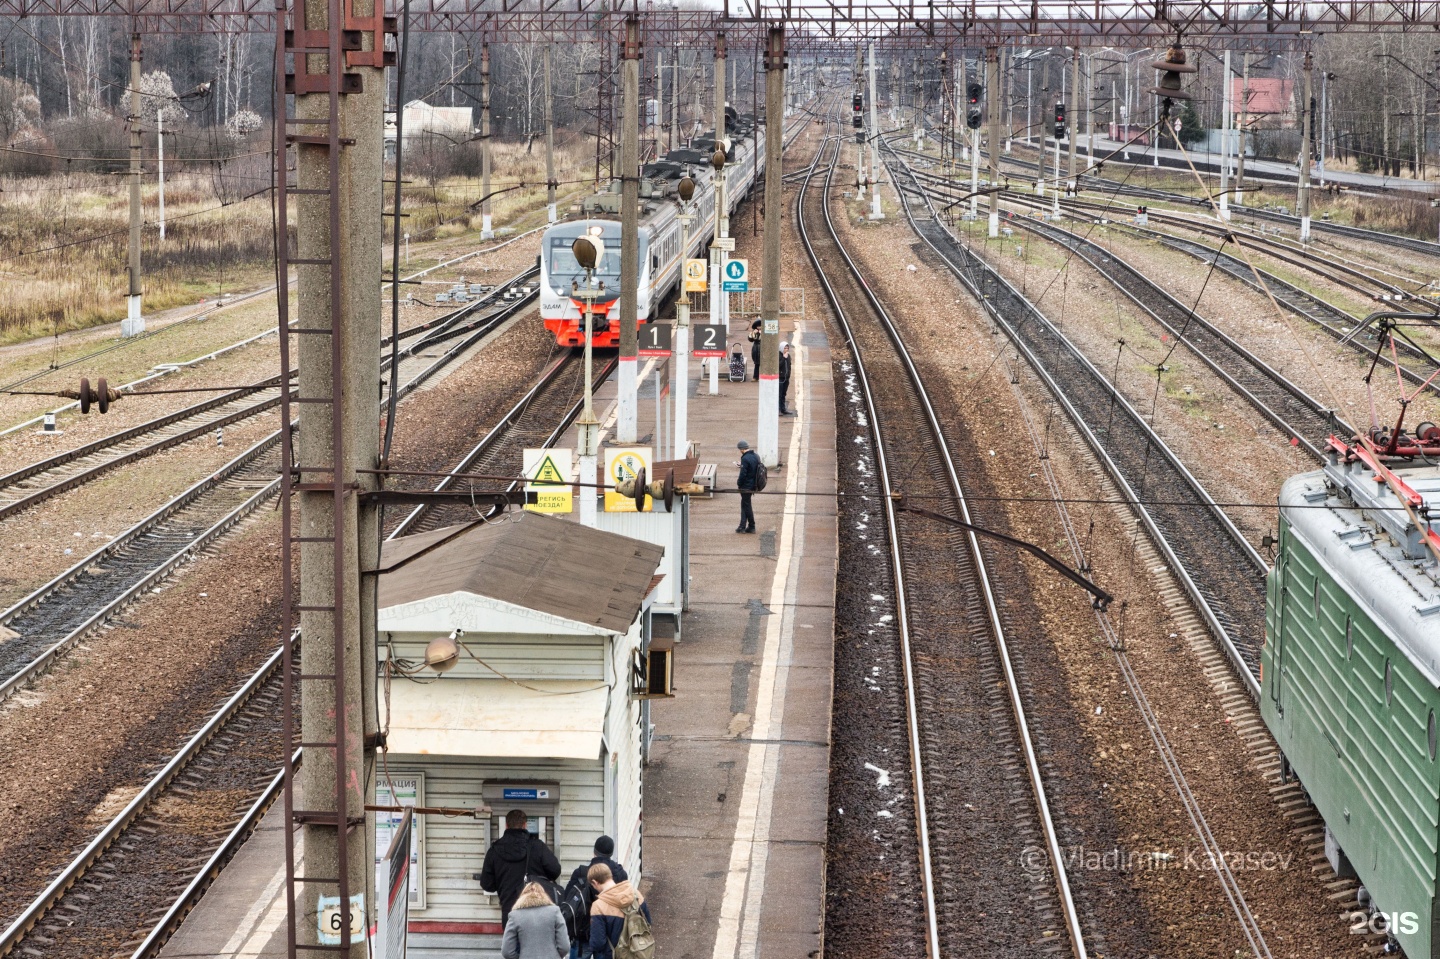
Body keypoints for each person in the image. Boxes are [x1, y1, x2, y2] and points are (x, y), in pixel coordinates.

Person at [481, 810, 562, 929]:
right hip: (536, 911)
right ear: (525, 825)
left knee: (512, 947)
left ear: (507, 825)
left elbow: (487, 884)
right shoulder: (537, 846)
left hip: (510, 913)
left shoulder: (494, 851)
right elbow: (555, 870)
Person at [561, 837, 631, 959]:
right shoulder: (620, 874)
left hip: (583, 935)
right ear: (611, 853)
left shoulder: (581, 873)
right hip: (610, 936)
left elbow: (568, 899)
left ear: (594, 851)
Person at [587, 863, 652, 959]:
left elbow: (598, 943)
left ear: (595, 882)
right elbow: (648, 922)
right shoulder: (635, 894)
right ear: (609, 876)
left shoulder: (598, 906)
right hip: (638, 953)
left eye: (593, 886)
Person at [502, 882, 570, 959]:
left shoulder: (515, 915)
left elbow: (507, 951)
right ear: (544, 895)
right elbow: (564, 946)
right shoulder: (555, 911)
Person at [735, 440, 759, 534]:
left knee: (747, 506)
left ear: (742, 449)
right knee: (745, 504)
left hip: (746, 486)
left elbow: (743, 474)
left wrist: (739, 483)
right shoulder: (756, 456)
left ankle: (752, 526)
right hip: (753, 484)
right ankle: (742, 526)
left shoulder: (745, 459)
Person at [778, 341, 794, 416]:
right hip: (780, 378)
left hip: (786, 378)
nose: (786, 349)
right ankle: (779, 409)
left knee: (784, 394)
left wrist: (788, 375)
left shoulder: (788, 356)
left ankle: (783, 409)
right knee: (779, 394)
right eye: (785, 348)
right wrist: (783, 358)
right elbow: (778, 365)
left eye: (787, 348)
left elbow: (789, 366)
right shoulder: (779, 356)